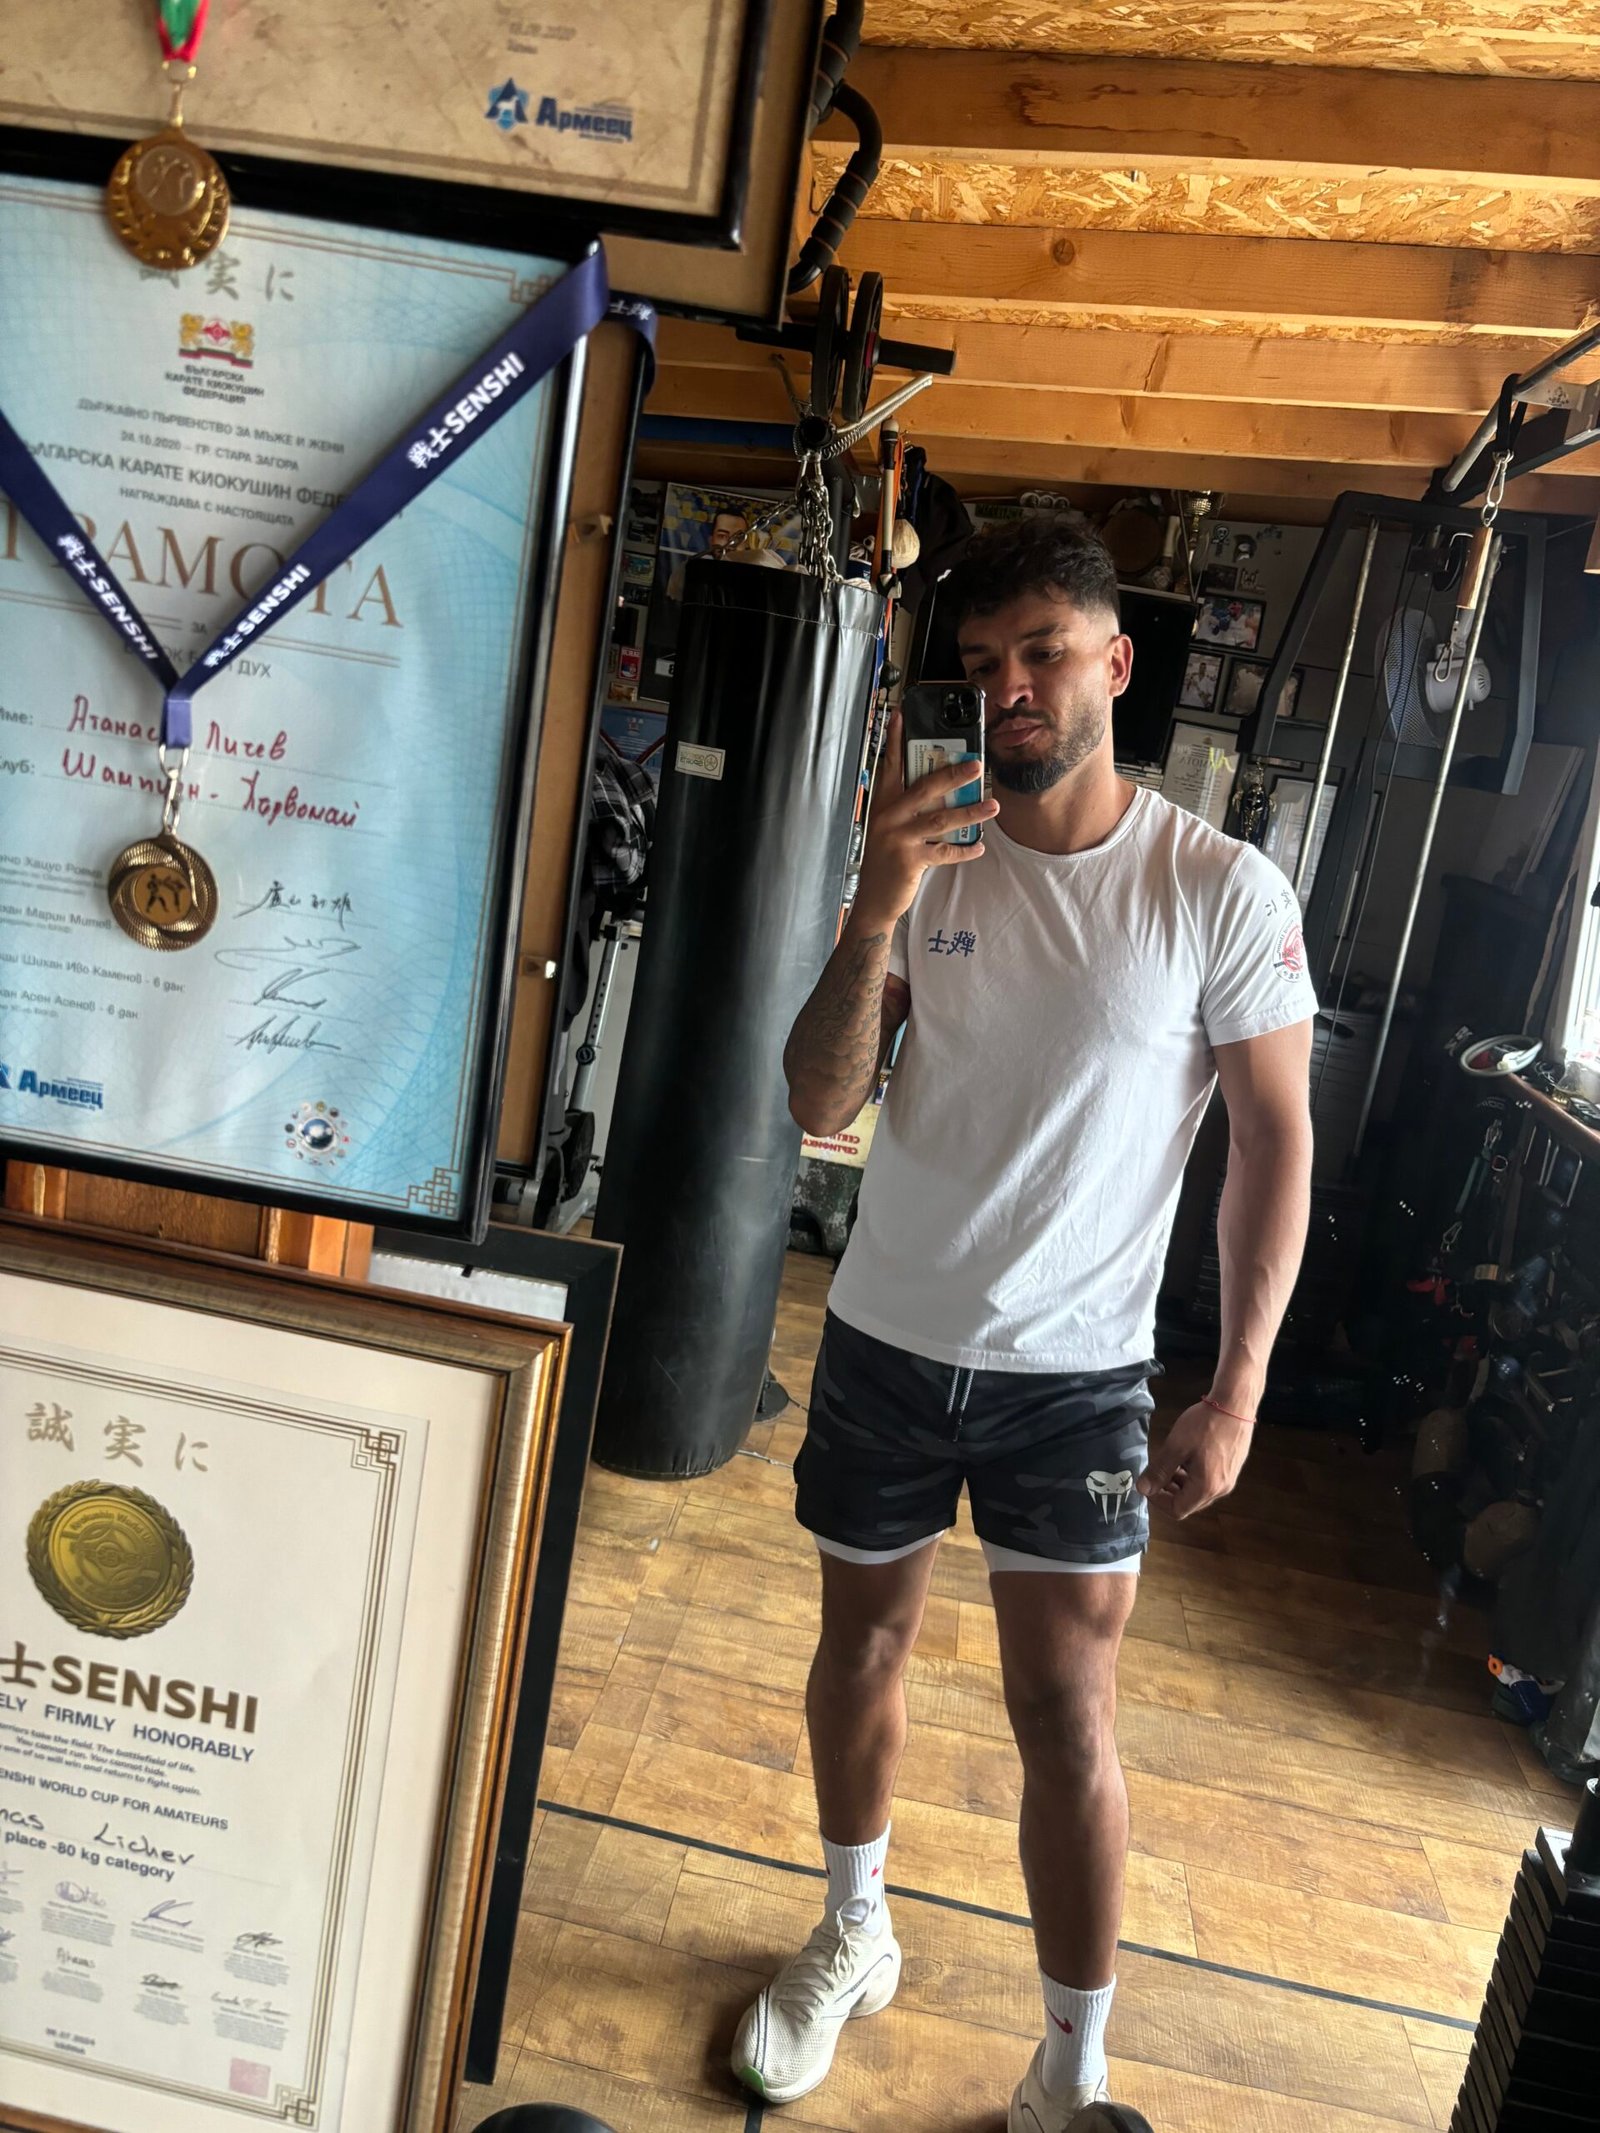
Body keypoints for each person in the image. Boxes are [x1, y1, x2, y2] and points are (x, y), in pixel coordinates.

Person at [730, 516, 1316, 2129]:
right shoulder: (928, 863)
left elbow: (1275, 1143)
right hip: (886, 1338)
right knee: (861, 1644)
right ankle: (855, 1928)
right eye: (983, 663)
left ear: (1115, 664)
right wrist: (872, 909)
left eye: (1042, 652)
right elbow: (819, 1103)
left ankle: (1070, 2066)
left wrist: (1238, 1385)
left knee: (1067, 1708)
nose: (1009, 690)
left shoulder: (1215, 886)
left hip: (1082, 1379)